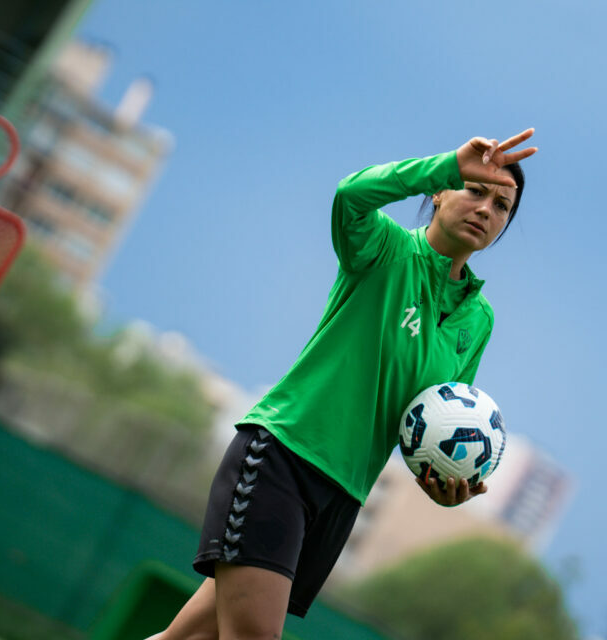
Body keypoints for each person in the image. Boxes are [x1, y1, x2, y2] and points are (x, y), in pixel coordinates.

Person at [150, 128, 537, 640]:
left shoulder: (478, 319)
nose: (485, 208)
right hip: (284, 458)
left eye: (502, 204)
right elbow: (350, 195)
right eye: (473, 189)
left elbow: (431, 421)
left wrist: (441, 484)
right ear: (440, 192)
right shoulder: (383, 251)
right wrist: (443, 163)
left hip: (343, 496)